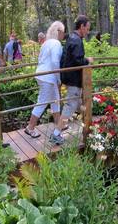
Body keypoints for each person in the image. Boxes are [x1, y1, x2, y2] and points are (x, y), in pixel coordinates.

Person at [51, 15, 93, 145]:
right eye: (87, 28)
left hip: (69, 77)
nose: (88, 31)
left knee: (82, 104)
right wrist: (87, 60)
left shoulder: (72, 38)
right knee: (70, 105)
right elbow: (77, 61)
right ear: (82, 27)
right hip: (73, 78)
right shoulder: (76, 40)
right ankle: (56, 134)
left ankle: (89, 127)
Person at [24, 22, 65, 138]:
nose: (64, 34)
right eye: (63, 31)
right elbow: (55, 62)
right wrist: (58, 79)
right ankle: (30, 127)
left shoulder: (46, 43)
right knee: (42, 102)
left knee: (55, 100)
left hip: (42, 74)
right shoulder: (56, 43)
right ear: (58, 31)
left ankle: (59, 124)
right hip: (49, 76)